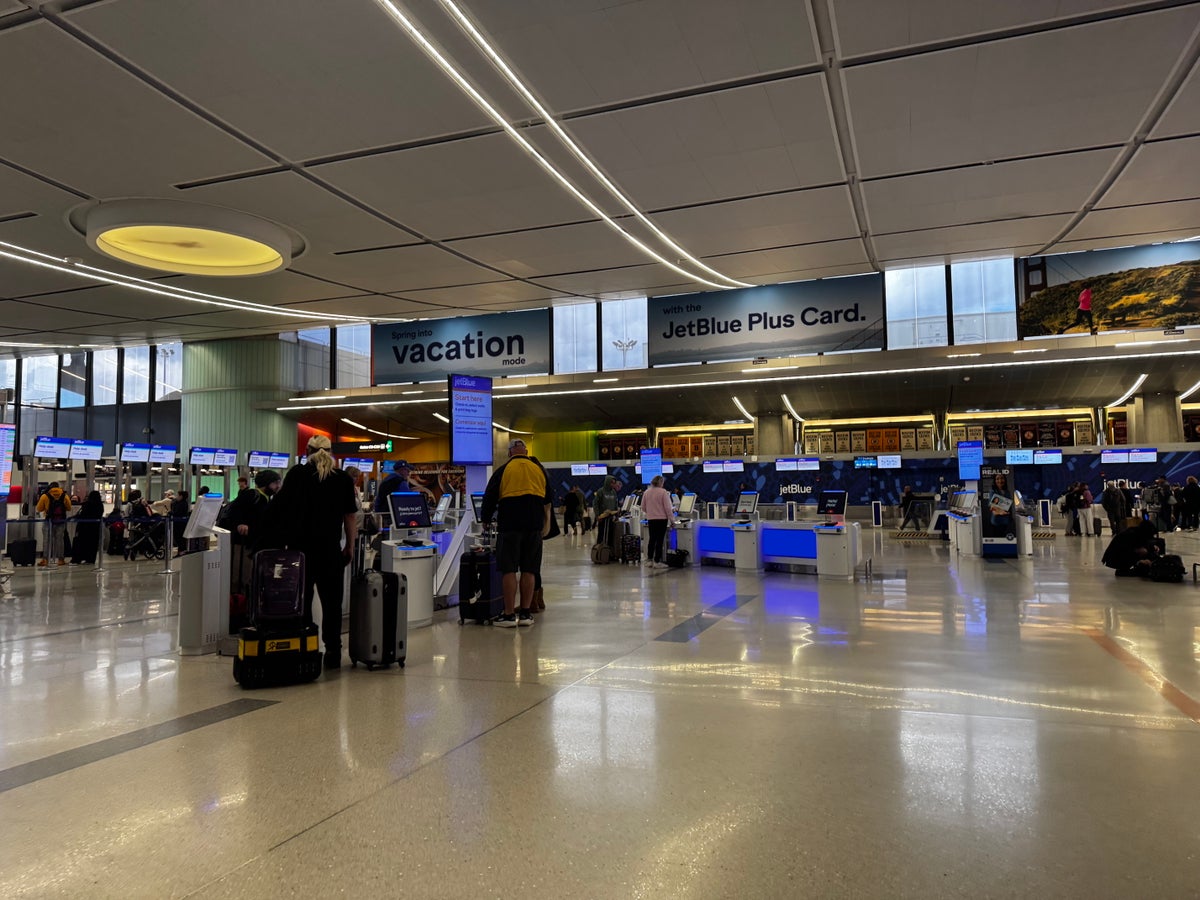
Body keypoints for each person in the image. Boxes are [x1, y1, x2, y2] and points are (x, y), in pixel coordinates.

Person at [265, 437, 358, 668]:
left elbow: (279, 508)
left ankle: (307, 648)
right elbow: (350, 517)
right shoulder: (343, 479)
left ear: (307, 451)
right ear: (331, 451)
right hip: (330, 551)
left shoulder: (297, 474)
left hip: (300, 552)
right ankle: (333, 653)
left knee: (302, 603)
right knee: (332, 604)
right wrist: (350, 546)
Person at [479, 439, 552, 628]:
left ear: (510, 453)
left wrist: (485, 519)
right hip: (534, 527)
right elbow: (549, 498)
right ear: (526, 452)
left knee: (508, 569)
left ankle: (509, 615)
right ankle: (526, 614)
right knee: (530, 569)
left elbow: (489, 496)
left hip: (510, 526)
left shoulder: (503, 470)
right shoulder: (539, 470)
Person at [224, 469, 281, 598]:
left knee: (250, 576)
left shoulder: (268, 498)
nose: (278, 486)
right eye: (275, 483)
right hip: (242, 543)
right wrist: (240, 523)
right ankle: (237, 603)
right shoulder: (251, 494)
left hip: (254, 543)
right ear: (266, 483)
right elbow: (233, 510)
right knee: (240, 576)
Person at [641, 475, 675, 568]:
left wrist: (651, 512)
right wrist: (672, 520)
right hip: (661, 519)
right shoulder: (663, 492)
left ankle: (649, 560)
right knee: (660, 540)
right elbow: (668, 508)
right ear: (661, 483)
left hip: (651, 519)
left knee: (652, 539)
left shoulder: (646, 492)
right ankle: (657, 561)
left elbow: (643, 507)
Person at [36, 482, 72, 567]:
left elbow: (39, 508)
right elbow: (69, 508)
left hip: (48, 521)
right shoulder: (64, 495)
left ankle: (45, 559)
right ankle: (61, 559)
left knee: (47, 540)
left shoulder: (45, 496)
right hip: (60, 521)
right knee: (60, 540)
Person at [69, 490, 104, 566]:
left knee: (81, 543)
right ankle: (90, 559)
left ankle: (78, 558)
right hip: (95, 528)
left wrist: (72, 518)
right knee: (92, 544)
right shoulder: (100, 505)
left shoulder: (87, 504)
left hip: (84, 528)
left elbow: (81, 514)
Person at [171, 490, 190, 555]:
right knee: (179, 537)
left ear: (181, 496)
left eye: (178, 495)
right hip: (178, 523)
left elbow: (177, 512)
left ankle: (182, 551)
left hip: (180, 524)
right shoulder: (179, 502)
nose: (176, 497)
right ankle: (180, 551)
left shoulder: (183, 504)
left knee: (179, 537)